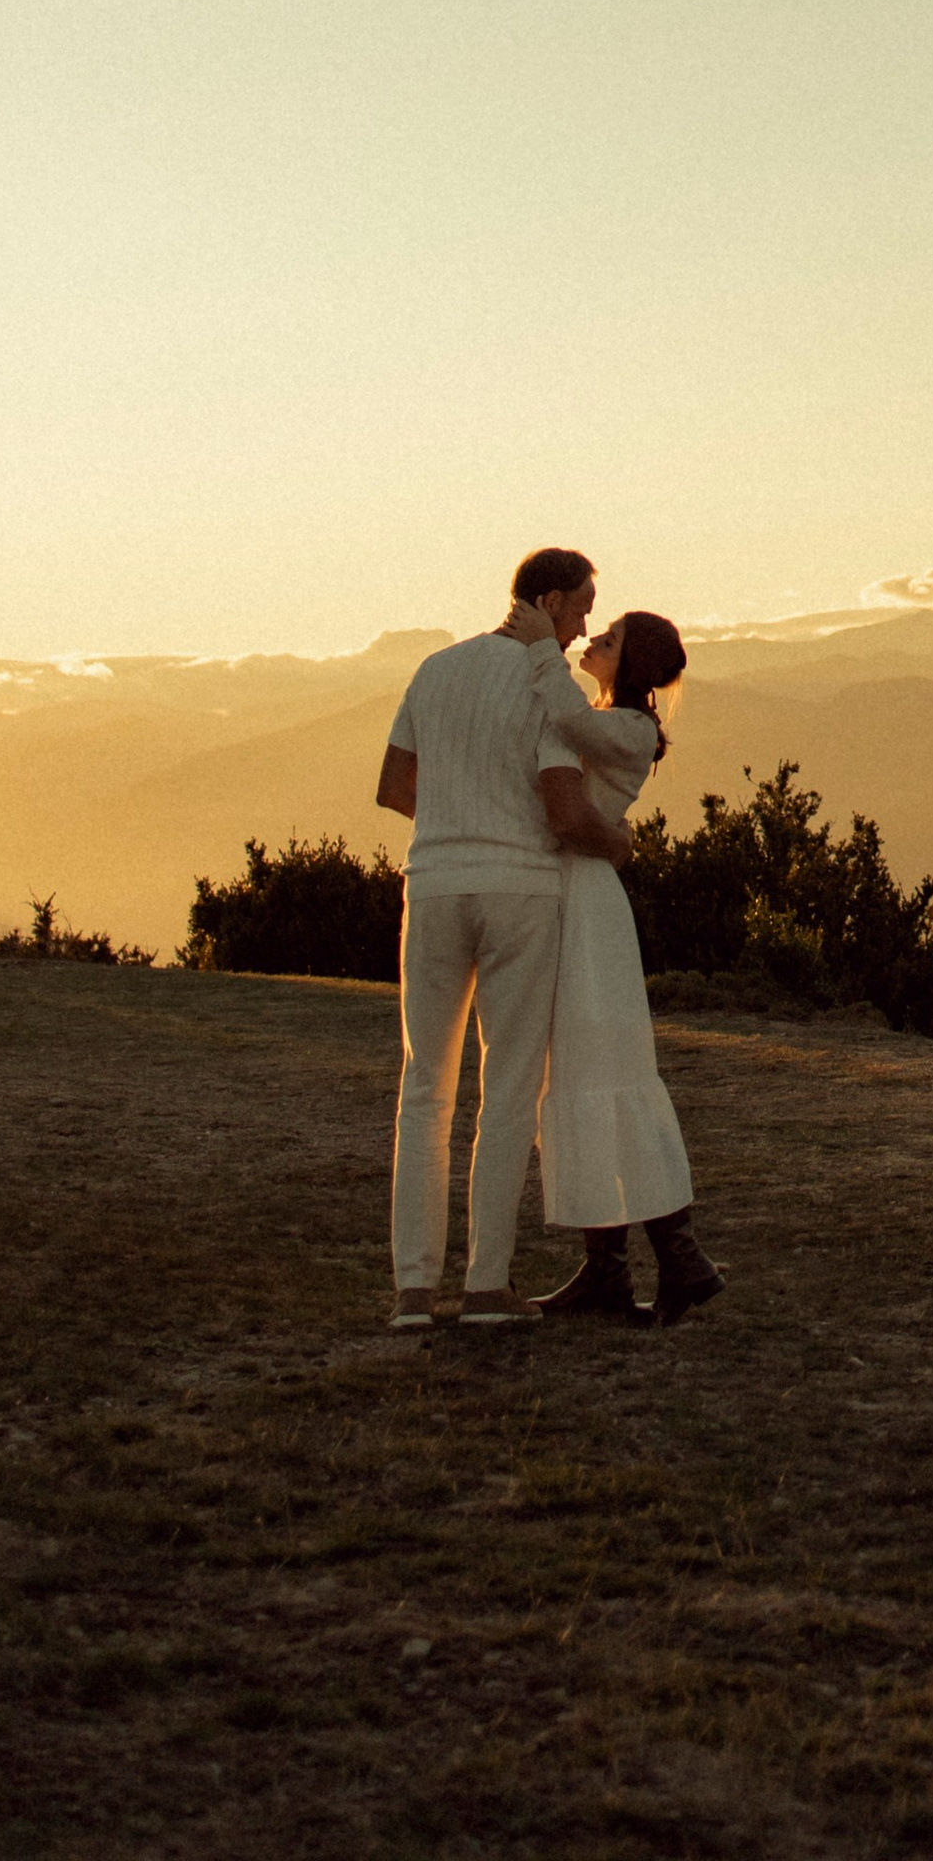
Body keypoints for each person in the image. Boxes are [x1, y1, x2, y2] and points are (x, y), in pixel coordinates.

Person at [376, 547, 629, 1329]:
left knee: (426, 1089)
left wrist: (458, 822)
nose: (586, 623)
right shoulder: (545, 688)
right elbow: (562, 802)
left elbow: (394, 787)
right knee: (508, 1087)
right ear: (549, 601)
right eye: (582, 606)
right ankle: (486, 1285)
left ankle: (414, 1292)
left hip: (437, 883)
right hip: (521, 891)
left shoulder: (435, 669)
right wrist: (618, 846)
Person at [531, 607, 724, 1328]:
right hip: (575, 899)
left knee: (603, 1072)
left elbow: (569, 722)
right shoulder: (622, 723)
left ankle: (676, 1259)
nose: (589, 642)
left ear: (632, 662)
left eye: (606, 641)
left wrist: (536, 649)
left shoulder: (630, 728)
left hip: (588, 910)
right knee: (583, 1074)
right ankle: (622, 1266)